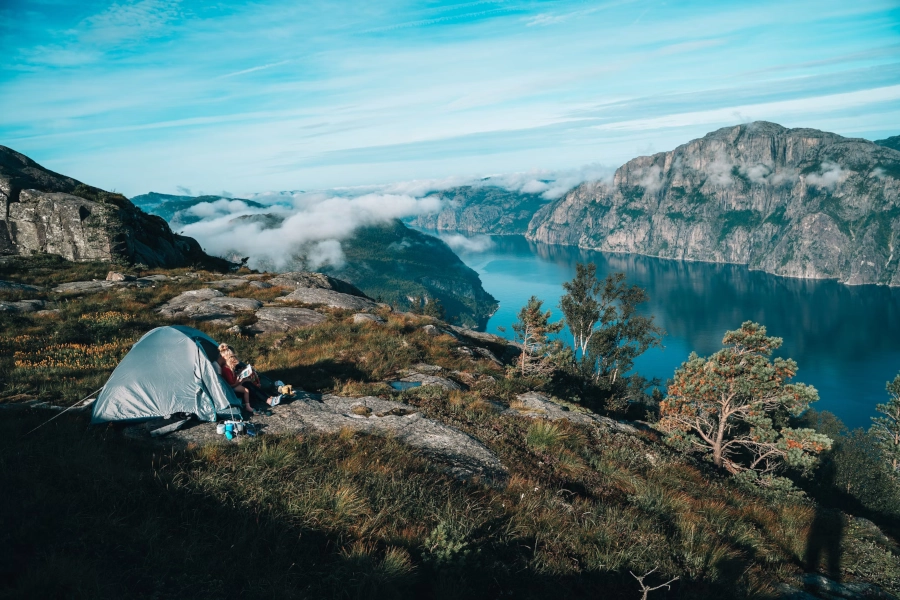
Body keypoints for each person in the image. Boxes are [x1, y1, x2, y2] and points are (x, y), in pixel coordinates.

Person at [217, 347, 254, 415]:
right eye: (234, 365)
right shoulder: (226, 370)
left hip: (233, 383)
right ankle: (247, 406)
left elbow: (233, 378)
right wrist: (240, 381)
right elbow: (232, 384)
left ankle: (248, 401)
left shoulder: (228, 368)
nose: (234, 366)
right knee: (246, 390)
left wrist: (239, 373)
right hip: (231, 387)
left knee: (247, 381)